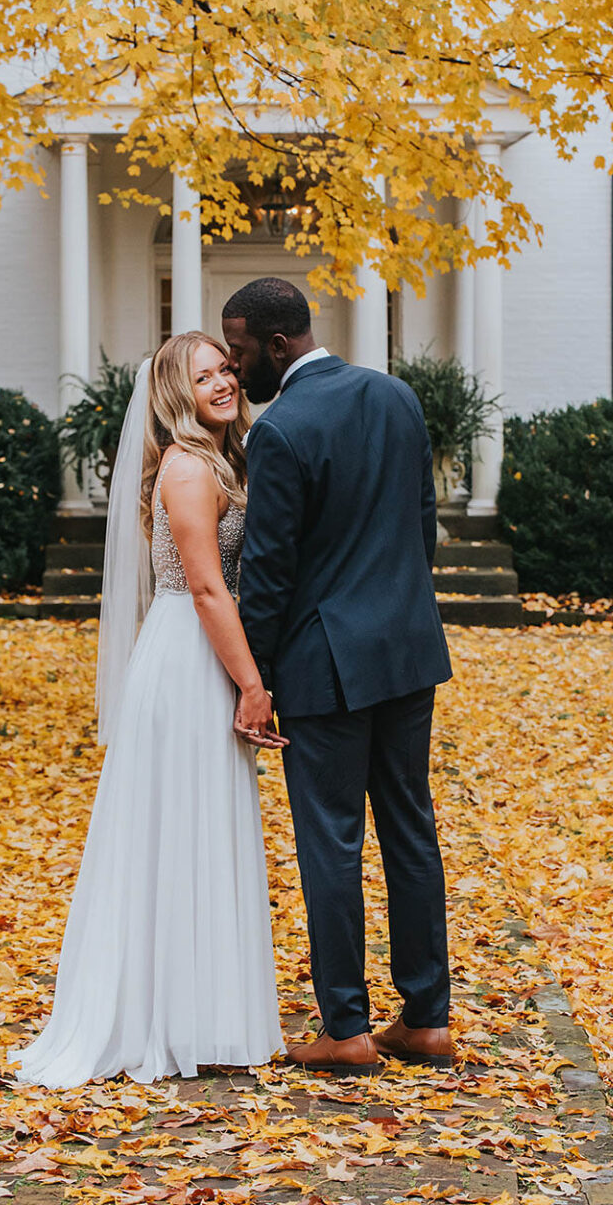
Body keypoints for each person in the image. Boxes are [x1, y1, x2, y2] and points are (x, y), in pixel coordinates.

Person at [10, 332, 284, 1086]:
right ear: (175, 393)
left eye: (226, 368)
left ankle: (199, 1012)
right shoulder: (189, 467)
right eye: (205, 376)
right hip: (188, 656)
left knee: (201, 828)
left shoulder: (227, 458)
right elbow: (204, 589)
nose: (224, 382)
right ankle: (160, 1019)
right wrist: (253, 685)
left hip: (202, 649)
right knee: (178, 829)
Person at [222, 277, 455, 1076]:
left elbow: (271, 572)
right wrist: (394, 607)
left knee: (330, 840)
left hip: (323, 662)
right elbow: (422, 525)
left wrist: (248, 675)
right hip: (406, 649)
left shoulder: (279, 430)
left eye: (242, 350)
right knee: (410, 828)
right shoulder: (396, 397)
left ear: (278, 345)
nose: (235, 364)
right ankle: (426, 1020)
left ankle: (347, 1028)